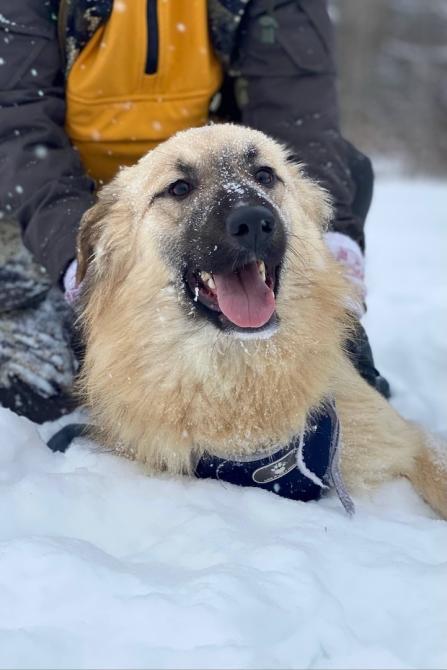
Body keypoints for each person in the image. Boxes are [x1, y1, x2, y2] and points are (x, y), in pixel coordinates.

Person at [0, 0, 389, 423]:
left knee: (346, 169)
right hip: (53, 207)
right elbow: (19, 128)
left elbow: (299, 119)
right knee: (39, 400)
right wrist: (82, 263)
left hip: (213, 194)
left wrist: (332, 259)